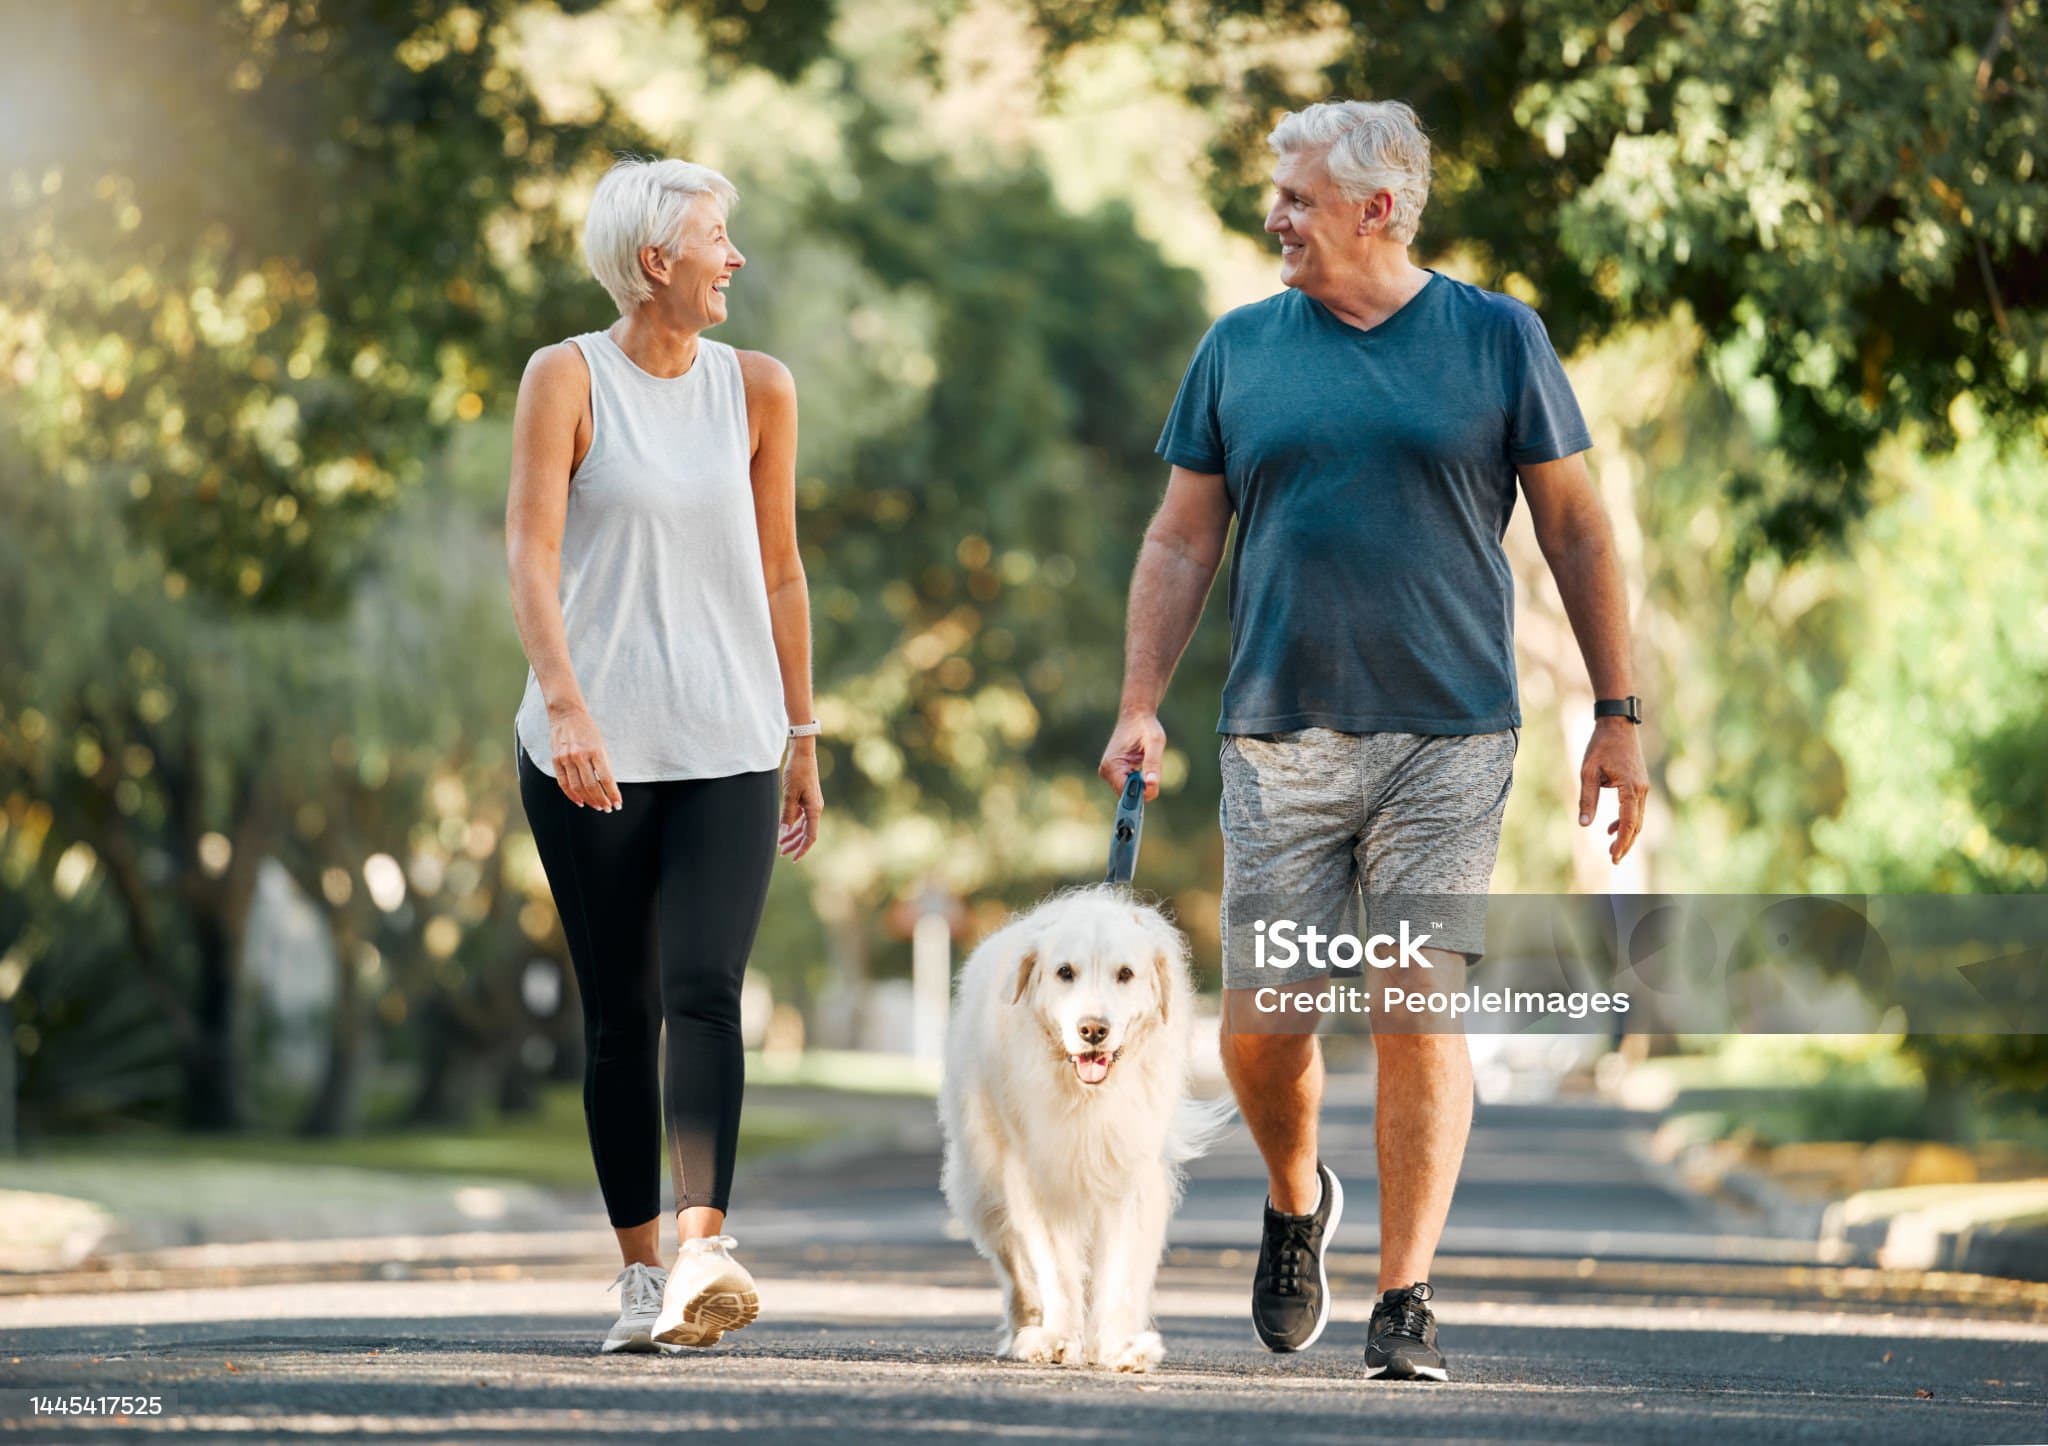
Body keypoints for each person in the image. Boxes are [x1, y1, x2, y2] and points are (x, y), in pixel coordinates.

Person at [1098, 100, 1648, 1382]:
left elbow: (1574, 527)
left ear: (1376, 209)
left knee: (1415, 1004)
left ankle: (1405, 1296)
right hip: (1277, 732)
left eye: (1295, 198)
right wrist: (1138, 701)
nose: (1273, 218)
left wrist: (1614, 713)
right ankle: (1296, 1199)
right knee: (1262, 1028)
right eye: (1277, 196)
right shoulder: (1238, 349)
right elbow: (1179, 540)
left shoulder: (1495, 338)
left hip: (1448, 733)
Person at [505, 155, 823, 1355]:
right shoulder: (566, 376)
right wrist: (566, 709)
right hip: (589, 750)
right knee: (619, 1010)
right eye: (713, 238)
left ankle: (702, 1253)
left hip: (728, 740)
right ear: (654, 261)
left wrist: (801, 733)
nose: (733, 257)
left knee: (704, 990)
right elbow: (531, 553)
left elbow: (782, 571)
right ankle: (640, 1274)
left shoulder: (758, 389)